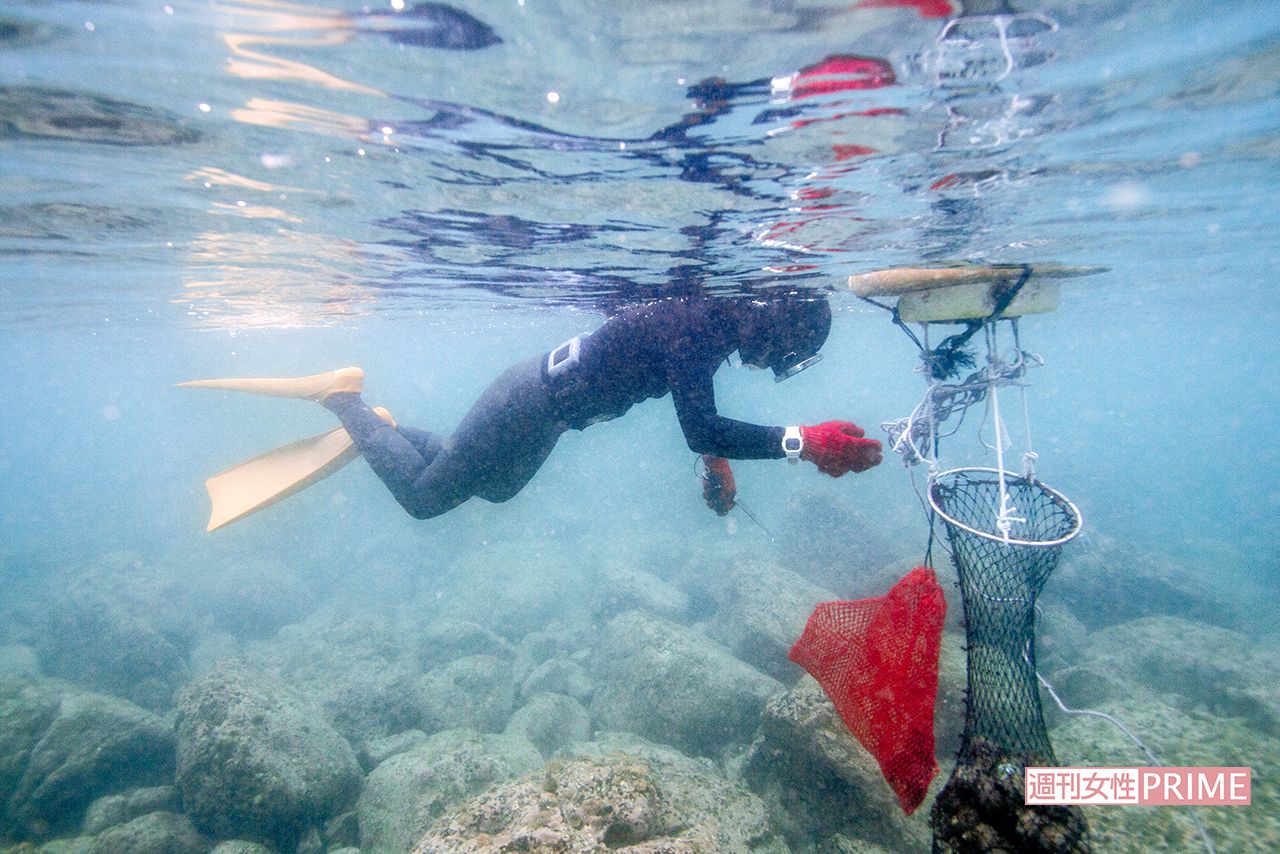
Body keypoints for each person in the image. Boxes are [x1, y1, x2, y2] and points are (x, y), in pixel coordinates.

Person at [182, 293, 882, 525]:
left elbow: (694, 403)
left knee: (496, 485)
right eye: (784, 353)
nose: (773, 366)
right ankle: (344, 398)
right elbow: (698, 418)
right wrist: (806, 441)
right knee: (428, 500)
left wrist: (720, 457)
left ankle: (384, 433)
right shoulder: (703, 322)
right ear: (776, 325)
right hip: (533, 397)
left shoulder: (714, 327)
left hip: (549, 411)